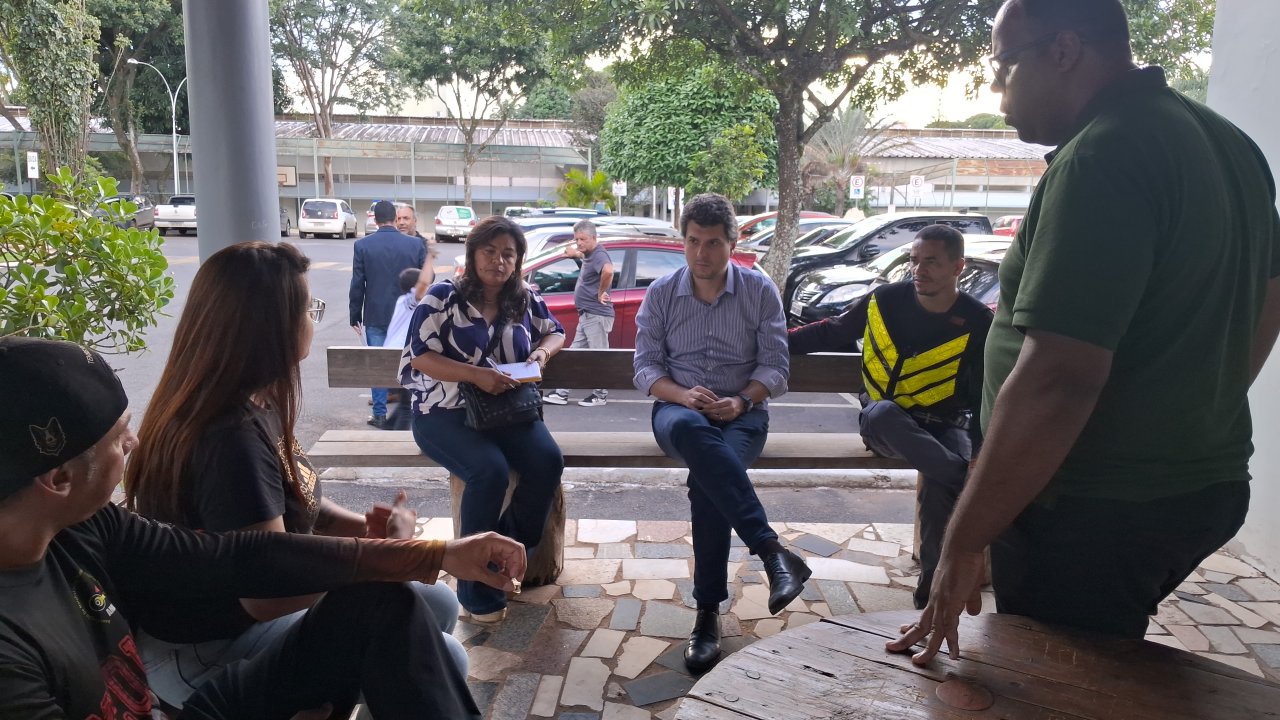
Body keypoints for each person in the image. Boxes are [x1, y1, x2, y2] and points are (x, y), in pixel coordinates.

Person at [889, 0, 1280, 666]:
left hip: (1093, 505)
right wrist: (1199, 401)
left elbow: (1058, 379)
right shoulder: (1228, 142)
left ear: (1064, 50)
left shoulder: (1101, 156)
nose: (996, 89)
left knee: (1050, 684)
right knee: (1104, 666)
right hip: (1204, 485)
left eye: (1004, 65)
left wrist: (964, 541)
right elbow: (1268, 297)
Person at [0, 335, 527, 719]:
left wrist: (436, 554)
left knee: (383, 604)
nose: (134, 445)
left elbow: (238, 558)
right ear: (59, 478)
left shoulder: (80, 528)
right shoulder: (10, 652)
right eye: (120, 439)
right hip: (195, 680)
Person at [121, 241, 467, 710]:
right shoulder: (230, 437)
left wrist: (366, 534)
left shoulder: (251, 399)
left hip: (241, 617)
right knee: (440, 651)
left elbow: (300, 500)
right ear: (272, 326)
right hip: (205, 649)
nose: (312, 318)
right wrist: (382, 556)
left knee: (437, 603)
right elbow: (265, 590)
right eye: (308, 308)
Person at [633, 192, 810, 673]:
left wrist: (742, 400)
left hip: (743, 415)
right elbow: (645, 367)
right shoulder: (662, 293)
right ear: (683, 241)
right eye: (693, 241)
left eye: (713, 243)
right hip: (679, 413)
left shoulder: (758, 291)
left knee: (707, 484)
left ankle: (707, 614)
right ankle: (772, 552)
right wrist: (681, 394)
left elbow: (776, 366)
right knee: (694, 434)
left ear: (732, 244)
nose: (702, 253)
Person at [788, 225, 993, 610]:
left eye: (931, 262)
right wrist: (771, 344)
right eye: (914, 261)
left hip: (944, 426)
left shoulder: (977, 320)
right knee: (886, 414)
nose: (919, 270)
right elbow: (831, 332)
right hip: (884, 426)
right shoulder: (885, 299)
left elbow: (983, 393)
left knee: (938, 483)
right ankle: (965, 482)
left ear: (958, 267)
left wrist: (980, 451)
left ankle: (931, 586)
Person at [400, 215, 566, 623]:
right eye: (489, 251)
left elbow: (556, 331)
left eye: (508, 254)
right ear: (473, 254)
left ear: (518, 260)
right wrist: (476, 375)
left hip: (508, 410)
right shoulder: (443, 297)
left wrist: (541, 354)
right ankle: (476, 592)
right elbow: (419, 356)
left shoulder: (524, 298)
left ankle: (502, 557)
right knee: (488, 470)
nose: (499, 261)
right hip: (443, 411)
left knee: (547, 461)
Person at [351, 199, 427, 428]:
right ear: (395, 219)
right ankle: (412, 411)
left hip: (376, 314)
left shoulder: (363, 246)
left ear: (375, 220)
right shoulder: (415, 244)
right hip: (409, 318)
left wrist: (355, 314)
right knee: (411, 362)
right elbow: (426, 280)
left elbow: (358, 283)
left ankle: (380, 414)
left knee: (378, 365)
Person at [544, 219, 616, 407]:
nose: (579, 243)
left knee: (599, 356)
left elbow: (608, 271)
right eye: (577, 239)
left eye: (583, 239)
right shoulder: (590, 254)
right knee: (574, 355)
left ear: (594, 238)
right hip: (587, 315)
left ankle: (600, 395)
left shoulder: (600, 255)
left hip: (596, 315)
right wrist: (575, 254)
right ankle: (561, 393)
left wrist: (601, 292)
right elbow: (585, 257)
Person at [385, 262, 436, 431]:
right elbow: (423, 285)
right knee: (408, 407)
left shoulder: (402, 301)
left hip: (391, 357)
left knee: (405, 400)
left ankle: (388, 426)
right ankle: (396, 439)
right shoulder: (410, 302)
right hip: (400, 357)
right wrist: (430, 256)